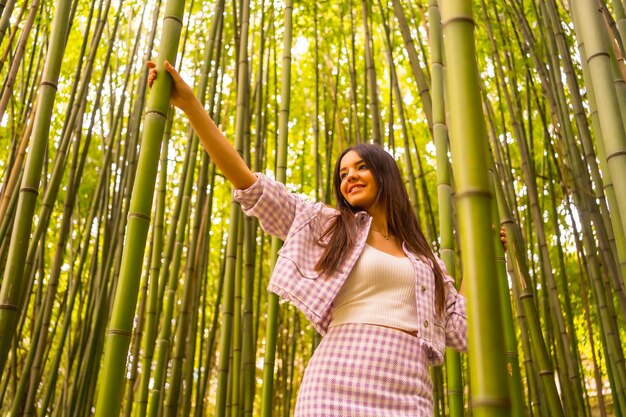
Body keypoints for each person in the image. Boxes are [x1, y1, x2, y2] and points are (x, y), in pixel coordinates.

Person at [148, 61, 505, 416]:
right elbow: (250, 185)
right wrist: (190, 105)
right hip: (336, 379)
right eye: (342, 174)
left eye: (361, 167)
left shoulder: (427, 261)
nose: (349, 177)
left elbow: (464, 328)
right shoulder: (329, 228)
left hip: (409, 388)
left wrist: (485, 256)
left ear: (386, 174)